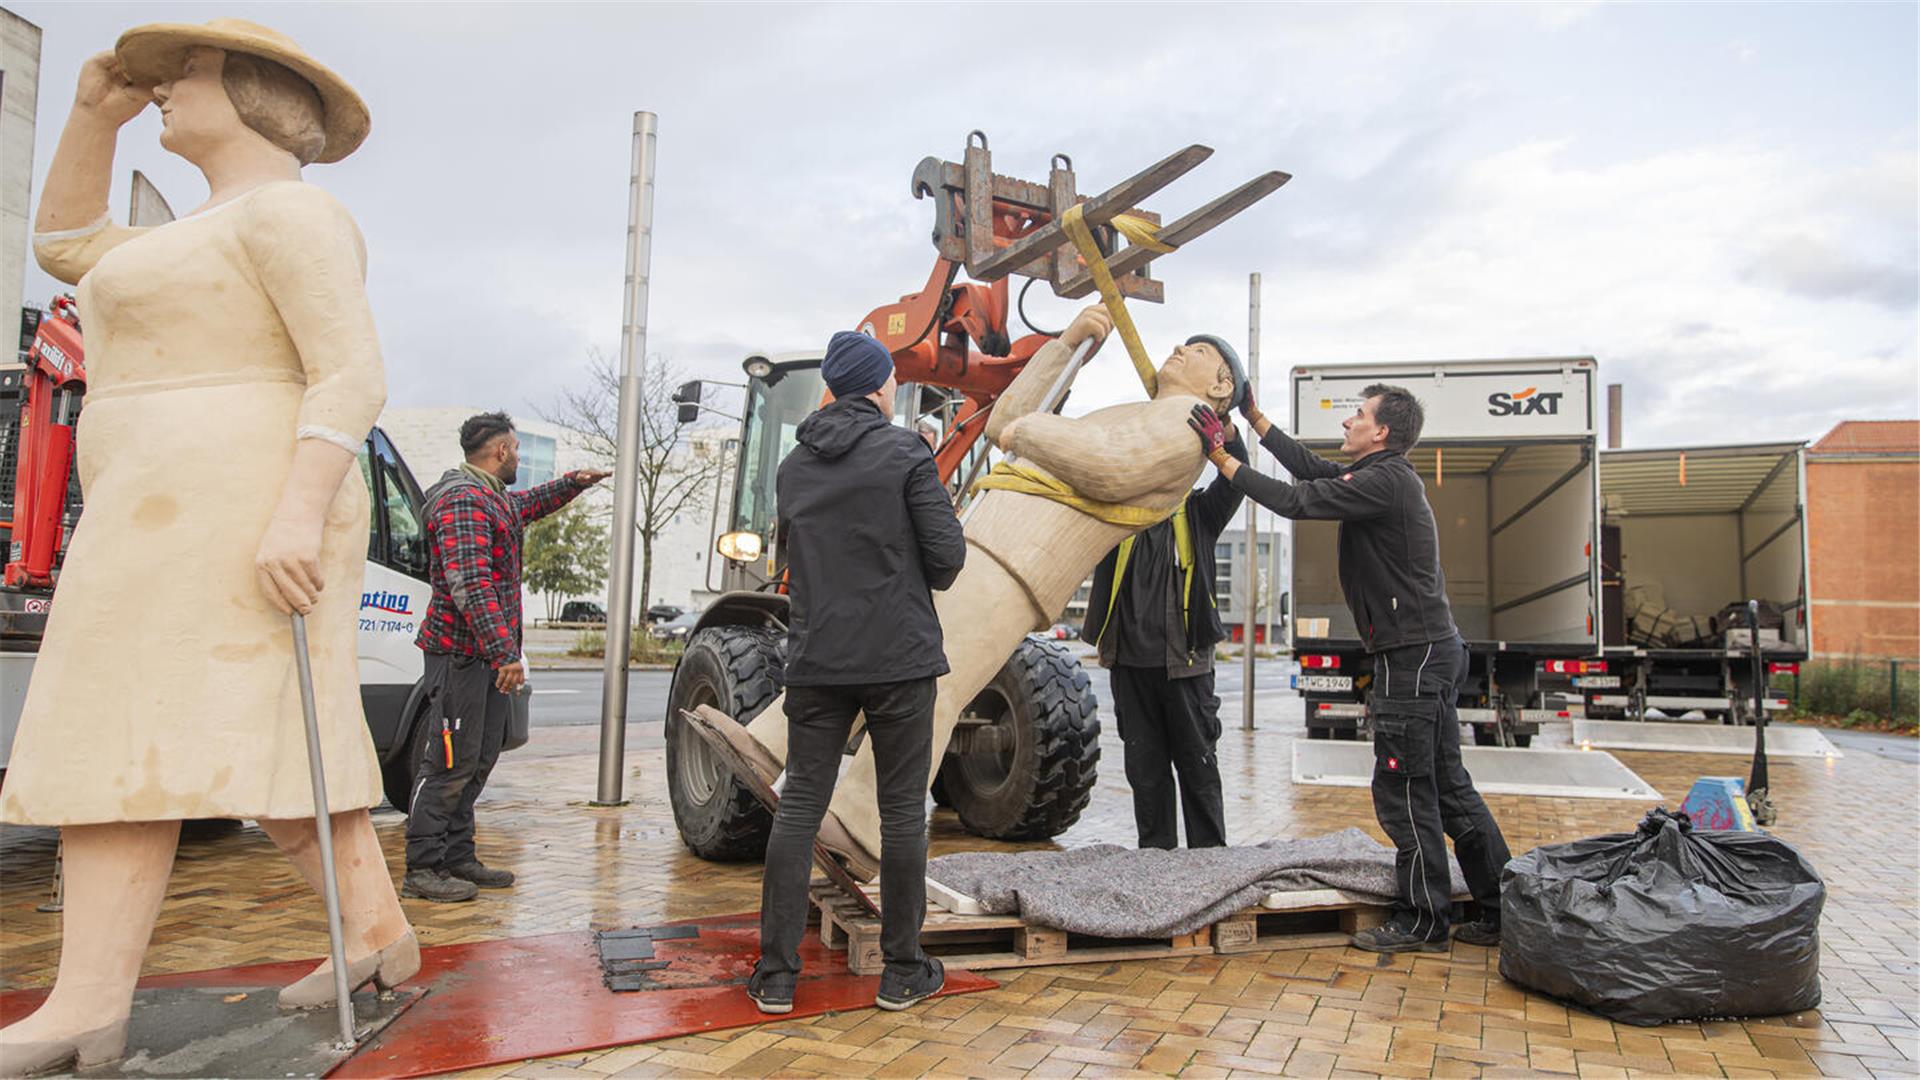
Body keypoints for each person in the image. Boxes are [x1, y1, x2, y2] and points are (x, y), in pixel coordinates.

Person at [1, 21, 411, 1072]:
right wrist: (92, 117)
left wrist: (296, 511)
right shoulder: (186, 234)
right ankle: (375, 934)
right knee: (243, 733)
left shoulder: (291, 212)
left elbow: (350, 371)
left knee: (139, 725)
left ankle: (89, 1001)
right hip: (159, 502)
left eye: (188, 71)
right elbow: (65, 242)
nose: (165, 90)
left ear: (253, 92)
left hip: (244, 494)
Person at [696, 305, 1246, 883]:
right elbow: (1004, 419)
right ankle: (774, 744)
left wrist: (1026, 432)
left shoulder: (1185, 423)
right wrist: (1066, 347)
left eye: (1198, 351)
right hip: (996, 541)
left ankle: (861, 824)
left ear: (1220, 385)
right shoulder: (1148, 412)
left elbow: (1111, 465)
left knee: (932, 682)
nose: (1180, 350)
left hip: (1022, 558)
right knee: (891, 662)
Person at [1187, 384, 1511, 953]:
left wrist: (1222, 458)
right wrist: (1255, 420)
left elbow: (1296, 500)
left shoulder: (1387, 481)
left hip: (1412, 658)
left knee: (1405, 787)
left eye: (1357, 415)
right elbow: (1310, 470)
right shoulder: (1382, 476)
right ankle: (1501, 908)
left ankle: (1422, 921)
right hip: (1430, 651)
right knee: (1447, 786)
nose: (1347, 422)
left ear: (1381, 431)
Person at [748, 330, 966, 1015]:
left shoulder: (793, 467)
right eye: (891, 377)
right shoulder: (906, 452)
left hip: (818, 658)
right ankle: (902, 971)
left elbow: (799, 556)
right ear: (877, 387)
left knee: (799, 808)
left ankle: (775, 976)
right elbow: (947, 561)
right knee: (901, 812)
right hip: (898, 658)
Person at [402, 412, 608, 901]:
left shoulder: (490, 497)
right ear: (501, 451)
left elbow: (526, 505)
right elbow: (470, 586)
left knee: (477, 759)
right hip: (461, 657)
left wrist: (573, 483)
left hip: (485, 658)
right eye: (516, 449)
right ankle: (422, 868)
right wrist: (504, 654)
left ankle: (458, 857)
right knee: (449, 762)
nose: (519, 456)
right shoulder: (462, 501)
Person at [1079, 337, 1249, 850]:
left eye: (1198, 351)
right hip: (1130, 667)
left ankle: (1210, 865)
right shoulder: (1120, 514)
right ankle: (1155, 865)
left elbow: (1236, 482)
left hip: (1184, 667)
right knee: (1146, 775)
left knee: (1198, 768)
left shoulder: (1198, 513)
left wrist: (1228, 439)